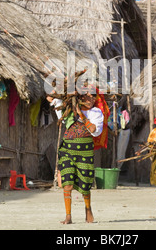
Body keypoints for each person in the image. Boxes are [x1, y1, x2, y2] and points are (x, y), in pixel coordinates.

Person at [47, 88, 108, 224]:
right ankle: (68, 216)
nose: (91, 98)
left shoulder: (96, 112)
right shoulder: (68, 109)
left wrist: (82, 116)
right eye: (88, 95)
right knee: (67, 183)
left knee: (85, 185)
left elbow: (94, 130)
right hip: (68, 150)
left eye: (94, 96)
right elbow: (51, 98)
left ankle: (88, 208)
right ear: (81, 96)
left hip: (85, 152)